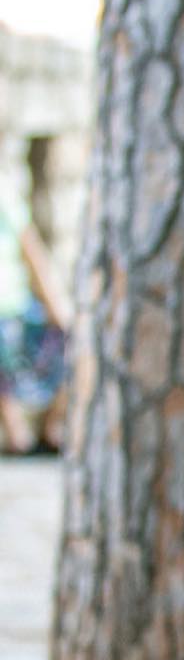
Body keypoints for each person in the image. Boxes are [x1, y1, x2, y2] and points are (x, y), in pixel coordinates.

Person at [0, 159, 69, 456]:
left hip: (14, 307)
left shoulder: (5, 194)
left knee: (70, 348)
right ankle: (18, 435)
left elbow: (32, 253)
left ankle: (48, 429)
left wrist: (55, 307)